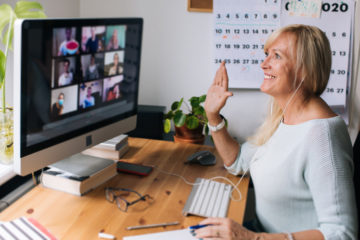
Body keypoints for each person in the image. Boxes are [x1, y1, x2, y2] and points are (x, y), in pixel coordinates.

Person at [195, 24, 358, 240]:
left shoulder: (322, 136)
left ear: (305, 69)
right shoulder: (283, 117)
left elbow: (342, 234)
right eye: (266, 55)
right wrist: (213, 116)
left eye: (277, 56)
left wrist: (252, 238)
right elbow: (238, 163)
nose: (264, 64)